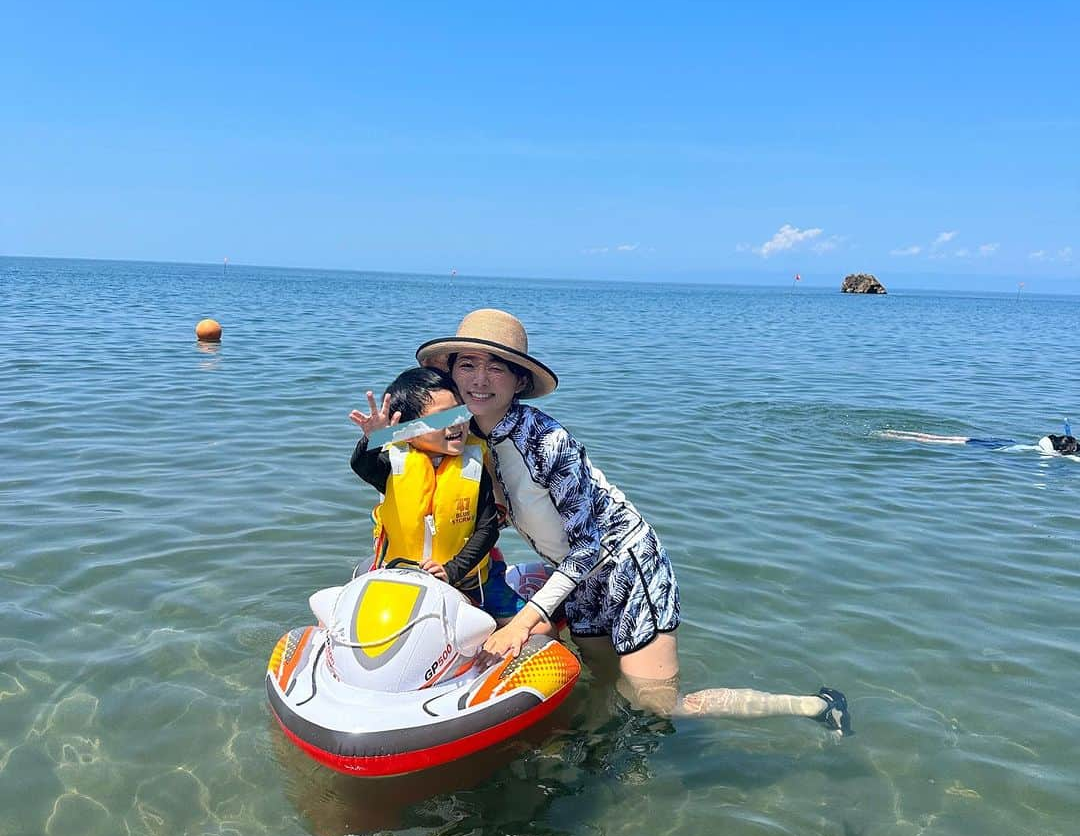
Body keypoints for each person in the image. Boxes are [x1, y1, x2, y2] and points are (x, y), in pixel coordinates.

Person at [415, 310, 850, 732]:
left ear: (520, 380)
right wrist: (374, 434)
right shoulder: (461, 430)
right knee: (604, 682)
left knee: (658, 705)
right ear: (451, 374)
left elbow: (589, 544)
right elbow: (388, 446)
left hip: (628, 567)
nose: (479, 379)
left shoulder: (547, 442)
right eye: (467, 365)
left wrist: (526, 621)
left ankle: (816, 706)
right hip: (578, 578)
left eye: (496, 368)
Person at [348, 366, 525, 621]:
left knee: (538, 628)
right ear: (407, 429)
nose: (457, 423)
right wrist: (374, 439)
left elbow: (487, 531)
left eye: (460, 412)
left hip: (467, 577)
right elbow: (361, 465)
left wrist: (451, 571)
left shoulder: (473, 468)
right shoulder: (393, 465)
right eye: (441, 418)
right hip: (399, 574)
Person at [880, 427, 1078, 455]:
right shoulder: (1050, 453)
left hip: (1000, 440)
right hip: (1002, 444)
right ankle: (891, 435)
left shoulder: (1045, 444)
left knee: (935, 437)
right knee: (935, 441)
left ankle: (895, 432)